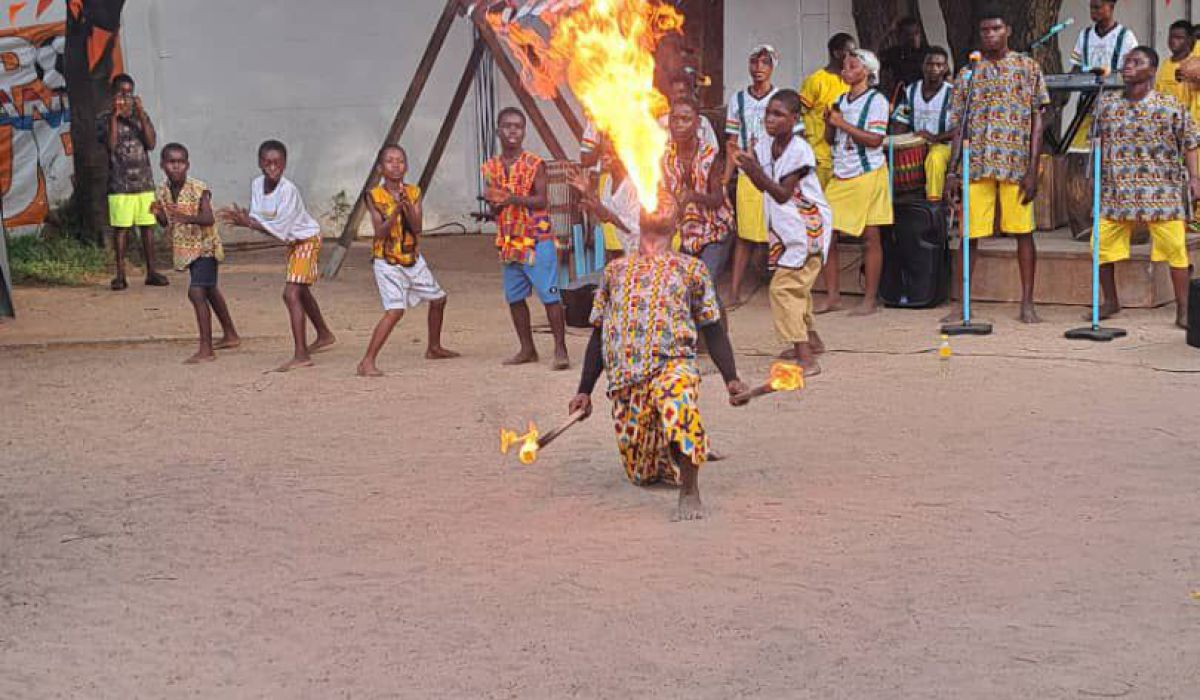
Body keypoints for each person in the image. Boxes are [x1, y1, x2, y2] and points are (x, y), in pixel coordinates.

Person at [568, 194, 749, 522]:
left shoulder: (691, 269)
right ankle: (681, 445)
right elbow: (599, 333)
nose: (658, 201)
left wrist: (731, 379)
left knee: (678, 402)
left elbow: (712, 328)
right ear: (639, 219)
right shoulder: (615, 270)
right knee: (643, 474)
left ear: (677, 223)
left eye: (667, 201)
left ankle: (690, 490)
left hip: (673, 364)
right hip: (626, 382)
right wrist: (584, 390)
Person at [944, 10, 1050, 324]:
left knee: (1023, 232)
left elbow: (1038, 121)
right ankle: (962, 303)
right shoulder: (968, 73)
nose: (990, 35)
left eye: (996, 29)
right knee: (969, 235)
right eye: (985, 30)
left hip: (1015, 165)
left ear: (1008, 30)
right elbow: (958, 125)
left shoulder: (1028, 67)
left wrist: (1033, 168)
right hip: (977, 164)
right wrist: (952, 170)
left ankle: (1027, 303)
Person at [1095, 47, 1198, 329]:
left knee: (1176, 249)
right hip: (1118, 191)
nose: (1128, 66)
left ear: (1152, 71)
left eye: (1136, 62)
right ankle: (1110, 301)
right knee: (1101, 245)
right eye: (1126, 61)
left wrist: (1194, 178)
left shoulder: (1169, 105)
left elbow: (1190, 141)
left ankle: (1183, 309)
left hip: (1161, 192)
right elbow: (1099, 143)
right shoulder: (1107, 106)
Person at [736, 90, 833, 375]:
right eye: (768, 113)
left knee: (783, 289)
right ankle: (811, 340)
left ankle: (806, 358)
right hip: (787, 229)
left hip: (807, 228)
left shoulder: (800, 150)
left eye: (778, 114)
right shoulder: (766, 144)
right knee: (796, 287)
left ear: (794, 119)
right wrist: (751, 168)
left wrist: (754, 170)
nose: (770, 119)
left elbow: (781, 193)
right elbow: (763, 186)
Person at [220, 140, 337, 371]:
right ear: (259, 163)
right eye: (267, 163)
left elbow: (279, 229)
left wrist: (249, 223)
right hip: (293, 242)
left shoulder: (288, 191)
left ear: (284, 164)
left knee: (290, 293)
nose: (272, 167)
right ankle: (324, 334)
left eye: (277, 163)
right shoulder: (256, 184)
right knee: (301, 291)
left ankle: (301, 355)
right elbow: (259, 218)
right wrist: (246, 220)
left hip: (306, 240)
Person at [356, 145, 459, 377]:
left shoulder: (413, 192)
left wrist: (408, 206)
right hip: (387, 261)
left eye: (400, 161)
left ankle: (434, 347)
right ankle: (367, 361)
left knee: (439, 299)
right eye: (390, 161)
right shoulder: (374, 196)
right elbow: (380, 233)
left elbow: (417, 227)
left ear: (406, 166)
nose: (396, 165)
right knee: (395, 310)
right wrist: (394, 212)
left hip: (412, 258)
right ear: (380, 168)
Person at [481, 107, 570, 370]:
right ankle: (527, 349)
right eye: (507, 125)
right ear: (498, 130)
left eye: (518, 126)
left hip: (537, 238)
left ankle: (560, 349)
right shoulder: (490, 167)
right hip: (509, 240)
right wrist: (493, 209)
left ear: (524, 132)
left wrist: (511, 199)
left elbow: (542, 200)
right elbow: (495, 204)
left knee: (550, 295)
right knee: (515, 297)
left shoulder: (534, 164)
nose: (512, 130)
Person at [150, 143, 239, 364]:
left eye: (181, 162)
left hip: (206, 247)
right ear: (162, 165)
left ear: (187, 165)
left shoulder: (199, 189)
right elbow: (165, 222)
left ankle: (206, 349)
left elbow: (208, 218)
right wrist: (158, 213)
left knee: (197, 292)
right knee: (210, 290)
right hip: (186, 249)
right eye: (171, 162)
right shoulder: (162, 191)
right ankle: (230, 334)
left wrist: (186, 217)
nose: (176, 167)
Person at [819, 49, 891, 316]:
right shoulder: (840, 100)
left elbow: (875, 140)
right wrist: (830, 124)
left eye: (852, 66)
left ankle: (869, 300)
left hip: (867, 173)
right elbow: (830, 139)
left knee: (870, 237)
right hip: (842, 172)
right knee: (826, 233)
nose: (845, 70)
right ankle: (833, 296)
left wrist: (841, 123)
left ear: (867, 72)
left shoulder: (877, 101)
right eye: (844, 66)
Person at [725, 45, 782, 307]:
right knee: (745, 234)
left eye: (765, 63)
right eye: (754, 62)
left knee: (777, 232)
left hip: (774, 174)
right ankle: (734, 291)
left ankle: (778, 290)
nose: (759, 68)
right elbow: (731, 142)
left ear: (772, 67)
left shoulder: (781, 98)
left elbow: (794, 136)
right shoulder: (737, 100)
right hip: (747, 175)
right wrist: (726, 178)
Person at [99, 73, 167, 291]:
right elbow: (111, 146)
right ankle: (120, 275)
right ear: (113, 94)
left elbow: (151, 143)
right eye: (121, 92)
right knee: (121, 230)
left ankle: (152, 272)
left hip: (144, 182)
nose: (125, 97)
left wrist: (140, 115)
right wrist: (114, 117)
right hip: (120, 184)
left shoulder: (140, 117)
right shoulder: (104, 119)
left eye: (129, 93)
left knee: (148, 228)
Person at [663, 97, 732, 285]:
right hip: (685, 233)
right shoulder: (666, 157)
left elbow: (718, 199)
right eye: (674, 119)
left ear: (697, 123)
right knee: (687, 286)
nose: (679, 124)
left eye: (685, 119)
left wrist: (693, 196)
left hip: (714, 231)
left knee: (703, 282)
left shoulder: (710, 155)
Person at [1069, 0, 1138, 150]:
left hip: (1115, 103)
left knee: (1113, 148)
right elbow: (1076, 67)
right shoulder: (1085, 35)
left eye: (1098, 7)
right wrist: (1069, 80)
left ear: (1111, 7)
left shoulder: (1126, 36)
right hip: (1086, 103)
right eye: (1091, 7)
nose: (1093, 11)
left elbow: (1133, 70)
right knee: (1080, 149)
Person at [891, 46, 956, 203]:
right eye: (930, 64)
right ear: (923, 66)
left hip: (943, 145)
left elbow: (961, 128)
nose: (934, 68)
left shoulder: (953, 93)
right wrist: (897, 141)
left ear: (945, 68)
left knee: (934, 158)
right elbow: (901, 119)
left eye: (939, 65)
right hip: (916, 145)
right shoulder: (911, 91)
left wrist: (935, 137)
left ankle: (934, 204)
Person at [801, 34, 856, 189]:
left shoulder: (851, 82)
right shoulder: (815, 80)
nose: (854, 57)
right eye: (850, 52)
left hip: (844, 158)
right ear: (837, 53)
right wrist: (804, 151)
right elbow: (797, 116)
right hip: (819, 156)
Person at [1155, 21, 1200, 124]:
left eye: (1179, 38)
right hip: (1168, 121)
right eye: (1171, 37)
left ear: (1189, 40)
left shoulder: (1194, 63)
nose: (1173, 41)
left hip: (1191, 123)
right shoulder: (1165, 64)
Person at [880, 17, 928, 98]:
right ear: (900, 36)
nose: (913, 38)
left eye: (916, 33)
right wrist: (888, 32)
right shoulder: (893, 54)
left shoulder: (928, 53)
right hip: (904, 98)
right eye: (908, 34)